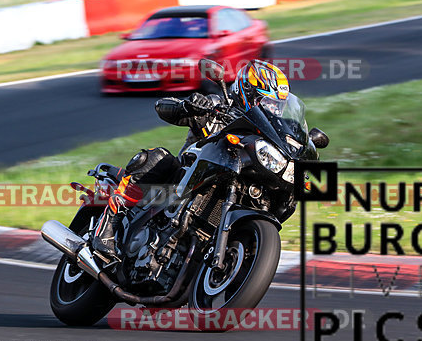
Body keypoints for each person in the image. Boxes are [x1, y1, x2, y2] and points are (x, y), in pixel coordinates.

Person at [91, 60, 289, 263]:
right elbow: (162, 107)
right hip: (184, 181)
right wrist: (188, 106)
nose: (272, 109)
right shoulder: (218, 107)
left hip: (229, 185)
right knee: (158, 157)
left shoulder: (268, 135)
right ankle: (109, 222)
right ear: (246, 92)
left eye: (276, 105)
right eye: (266, 102)